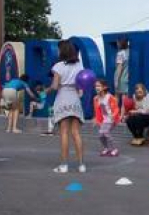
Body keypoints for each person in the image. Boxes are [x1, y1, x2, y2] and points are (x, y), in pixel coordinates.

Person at [48, 40, 86, 173]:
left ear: (62, 51)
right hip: (74, 98)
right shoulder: (79, 65)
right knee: (76, 133)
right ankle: (81, 165)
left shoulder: (58, 66)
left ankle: (64, 165)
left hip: (63, 97)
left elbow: (54, 86)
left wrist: (46, 90)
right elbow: (81, 84)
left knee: (64, 132)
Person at [93, 79, 120, 157]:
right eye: (95, 86)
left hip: (111, 119)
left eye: (99, 86)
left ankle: (114, 149)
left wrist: (113, 115)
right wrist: (96, 119)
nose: (97, 88)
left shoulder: (110, 97)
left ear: (104, 87)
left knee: (105, 132)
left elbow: (116, 108)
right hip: (104, 120)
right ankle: (106, 148)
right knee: (101, 135)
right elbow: (96, 110)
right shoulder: (96, 98)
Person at [114, 38, 130, 108]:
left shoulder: (120, 53)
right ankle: (122, 115)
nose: (117, 44)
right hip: (127, 77)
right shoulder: (129, 52)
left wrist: (116, 80)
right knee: (125, 98)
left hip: (120, 78)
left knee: (117, 96)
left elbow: (119, 68)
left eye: (117, 42)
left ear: (120, 43)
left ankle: (115, 114)